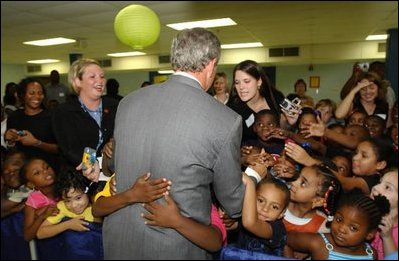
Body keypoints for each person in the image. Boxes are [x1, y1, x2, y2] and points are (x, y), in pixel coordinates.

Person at [102, 28, 255, 259]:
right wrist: (253, 178)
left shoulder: (129, 102)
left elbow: (114, 164)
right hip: (175, 246)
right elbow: (232, 202)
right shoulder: (225, 119)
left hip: (120, 240)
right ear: (211, 65)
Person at [52, 58, 118, 169]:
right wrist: (90, 165)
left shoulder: (115, 106)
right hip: (79, 177)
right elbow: (70, 147)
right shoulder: (65, 112)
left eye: (102, 77)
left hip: (111, 172)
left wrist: (112, 143)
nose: (100, 81)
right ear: (78, 82)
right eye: (92, 77)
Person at [287, 190, 390, 260]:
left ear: (369, 234)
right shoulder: (318, 244)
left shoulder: (371, 254)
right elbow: (284, 238)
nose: (341, 229)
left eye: (353, 228)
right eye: (339, 219)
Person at [4, 77, 59, 171]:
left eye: (40, 93)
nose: (37, 97)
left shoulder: (53, 116)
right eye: (31, 93)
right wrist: (10, 141)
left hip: (49, 169)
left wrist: (36, 143)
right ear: (22, 95)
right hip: (24, 171)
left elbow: (60, 149)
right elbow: (14, 152)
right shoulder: (14, 117)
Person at [227, 60, 285, 143]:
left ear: (259, 81)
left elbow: (284, 132)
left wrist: (290, 122)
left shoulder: (276, 99)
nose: (241, 87)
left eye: (246, 81)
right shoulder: (232, 109)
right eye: (237, 82)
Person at [237, 175, 290, 256]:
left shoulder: (277, 229)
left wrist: (249, 184)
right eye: (261, 201)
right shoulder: (245, 215)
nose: (265, 209)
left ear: (281, 214)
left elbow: (250, 223)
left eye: (274, 207)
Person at [370, 169, 398, 260]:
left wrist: (387, 238)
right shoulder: (366, 213)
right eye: (379, 182)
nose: (375, 187)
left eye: (387, 187)